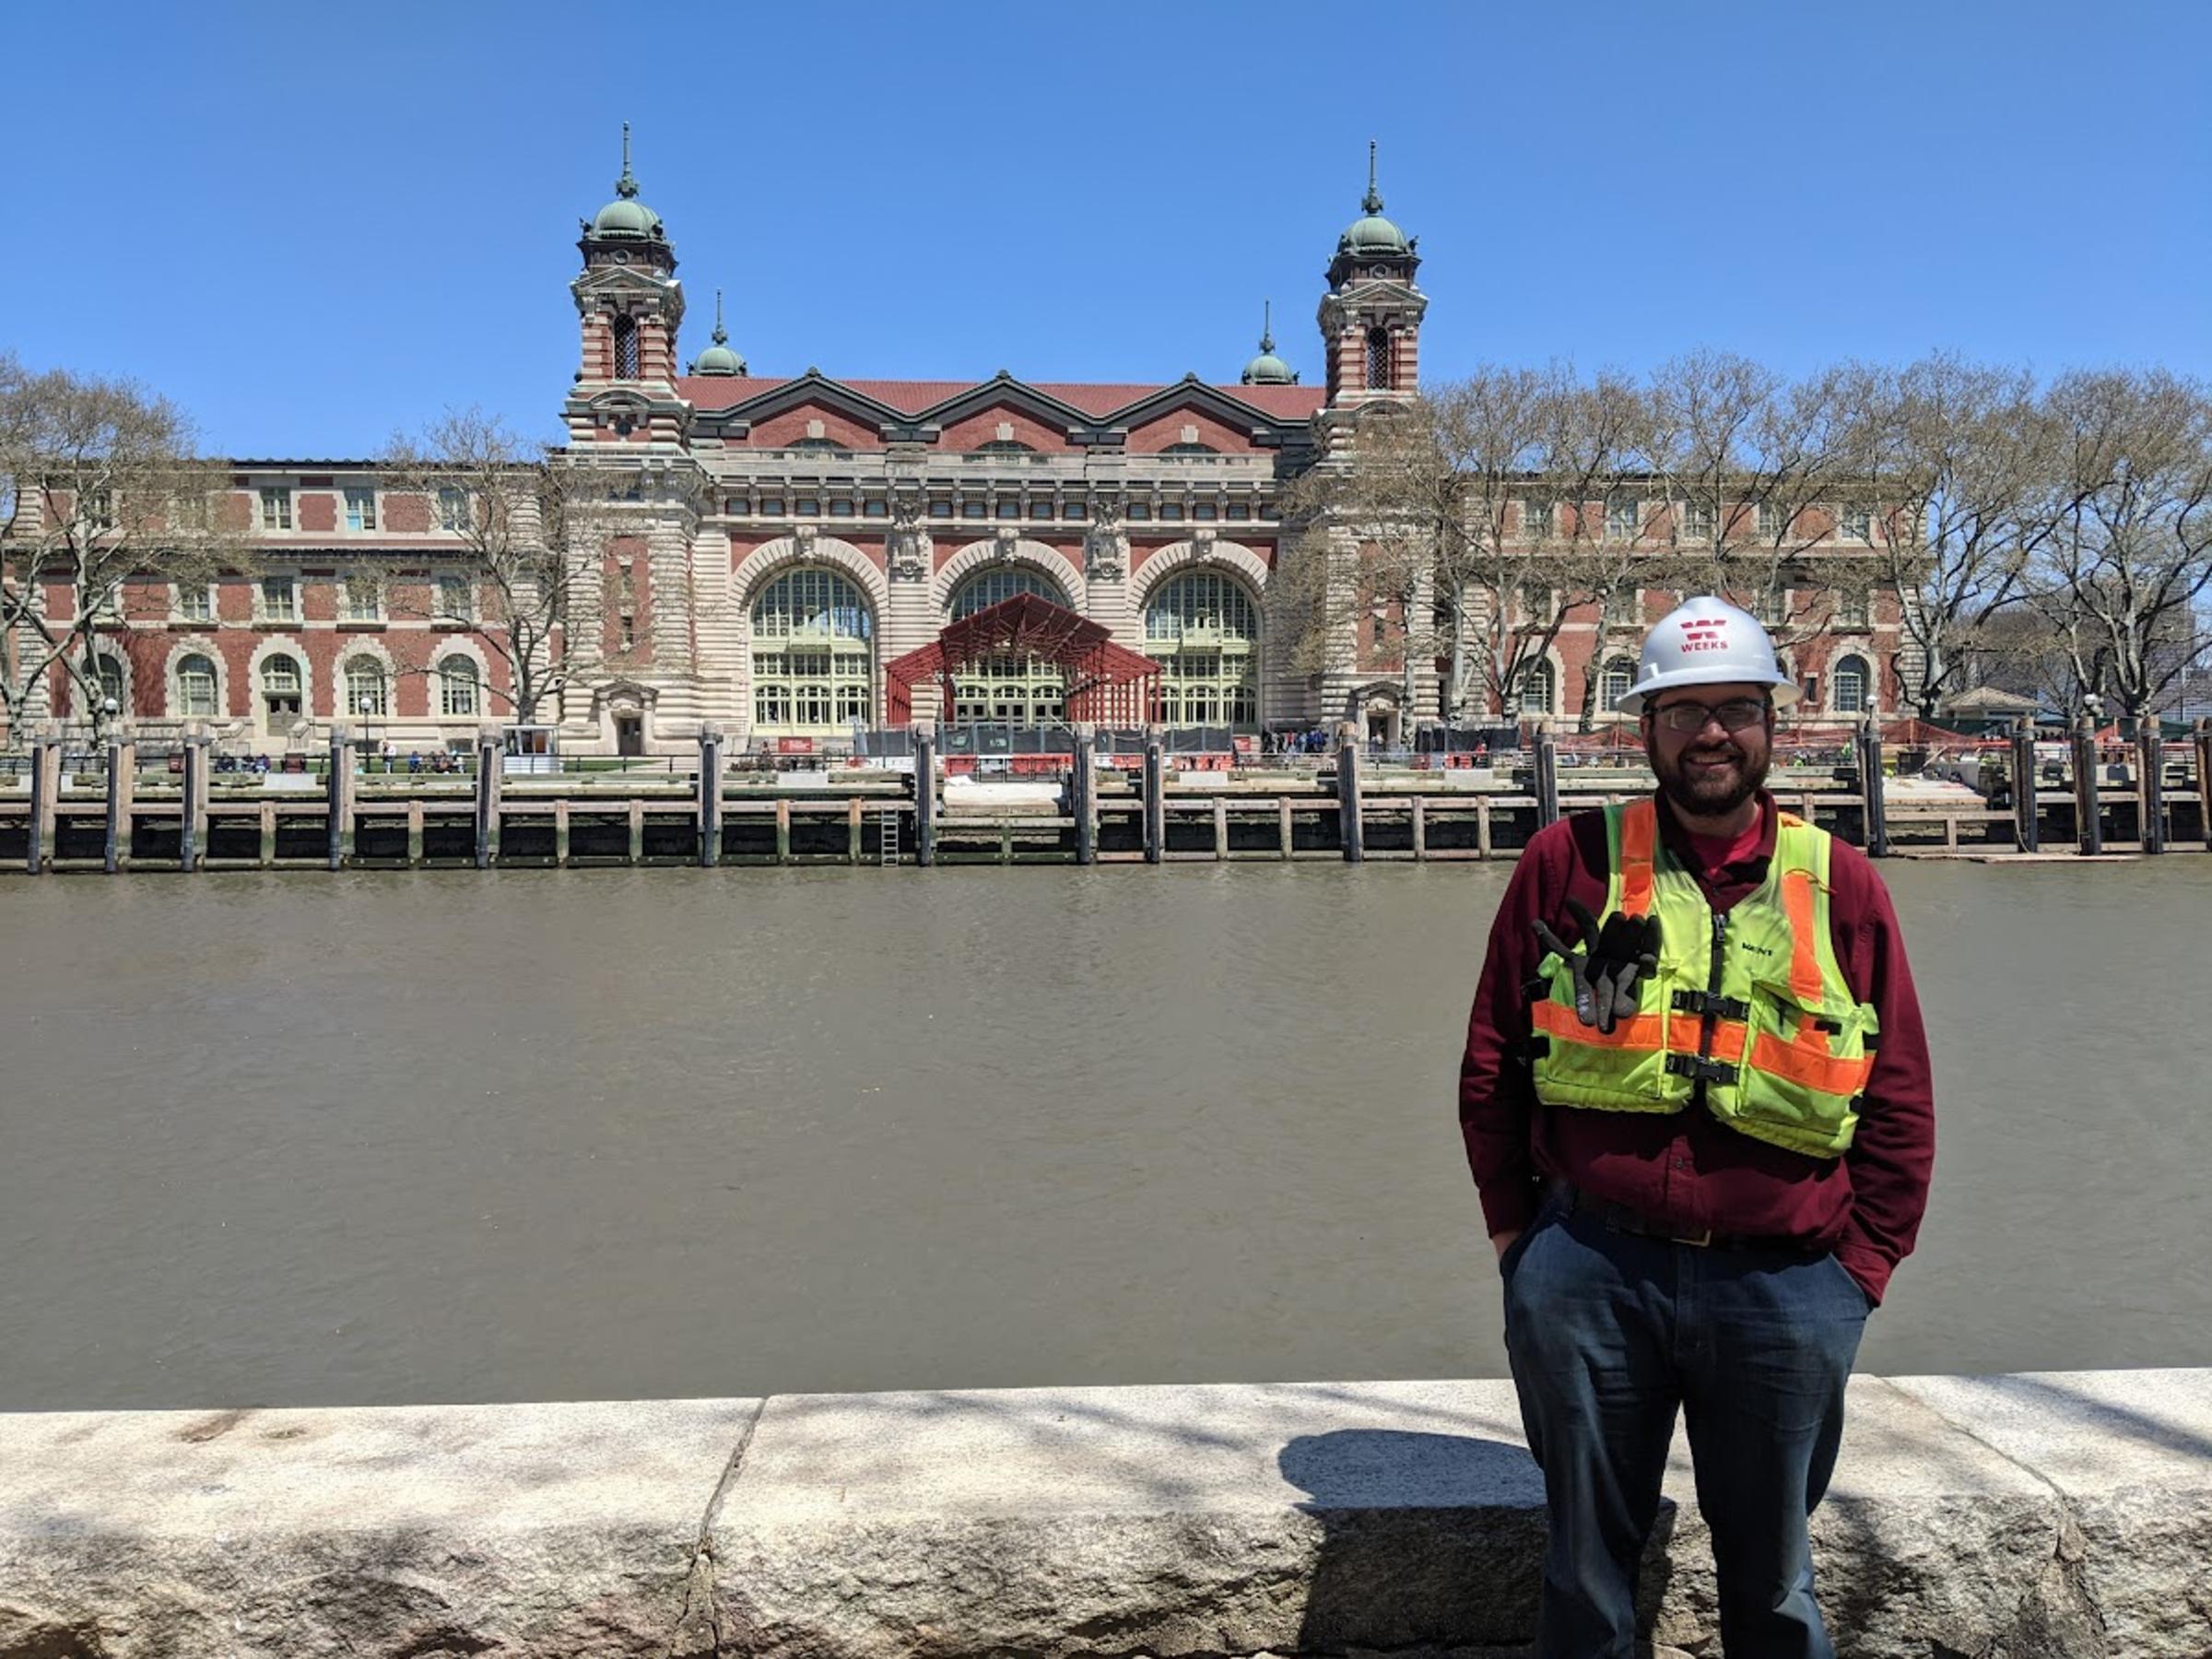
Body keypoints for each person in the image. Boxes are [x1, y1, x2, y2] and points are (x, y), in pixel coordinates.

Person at [1458, 596, 1934, 1657]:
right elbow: (1494, 1061)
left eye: (1733, 710)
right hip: (1590, 1268)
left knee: (1774, 1584)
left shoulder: (1839, 885)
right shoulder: (1568, 863)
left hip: (1787, 1283)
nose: (1710, 733)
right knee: (1585, 1572)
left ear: (1774, 721)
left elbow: (1899, 1095)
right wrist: (1516, 1240)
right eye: (1682, 712)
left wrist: (1861, 1273)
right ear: (1646, 731)